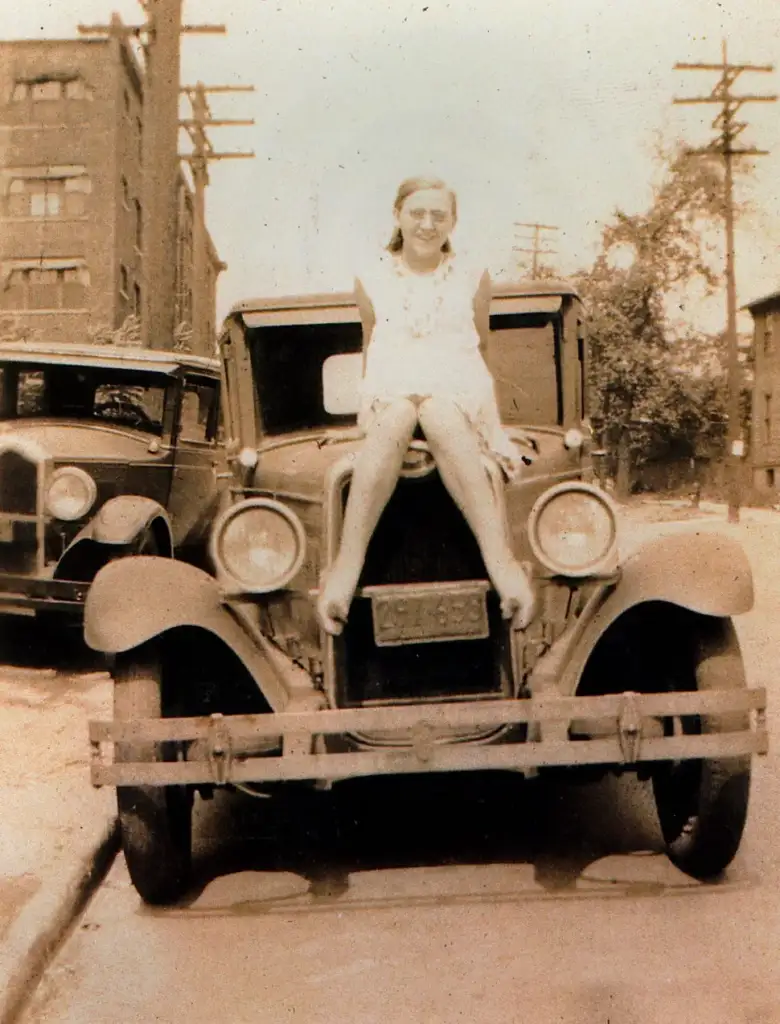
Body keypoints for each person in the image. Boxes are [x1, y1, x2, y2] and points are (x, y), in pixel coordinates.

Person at [316, 175, 536, 636]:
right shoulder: (371, 274)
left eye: (439, 214)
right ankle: (344, 569)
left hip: (455, 386)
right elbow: (372, 340)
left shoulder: (473, 276)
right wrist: (370, 409)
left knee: (436, 411)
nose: (427, 223)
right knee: (397, 414)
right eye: (418, 212)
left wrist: (489, 419)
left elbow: (480, 346)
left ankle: (502, 564)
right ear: (398, 215)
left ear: (453, 222)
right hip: (391, 385)